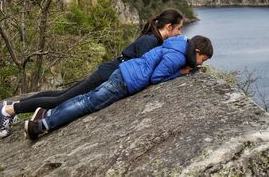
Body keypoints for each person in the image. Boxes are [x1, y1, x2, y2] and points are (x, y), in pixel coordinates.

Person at [0, 9, 184, 137]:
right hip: (108, 75)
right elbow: (144, 70)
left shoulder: (153, 39)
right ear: (168, 27)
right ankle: (9, 110)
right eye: (179, 29)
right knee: (61, 99)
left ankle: (14, 105)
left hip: (108, 71)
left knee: (62, 94)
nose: (180, 33)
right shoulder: (151, 41)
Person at [24, 35, 213, 140]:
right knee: (87, 104)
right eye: (201, 60)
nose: (199, 64)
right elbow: (157, 77)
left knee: (86, 97)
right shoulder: (178, 58)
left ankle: (50, 114)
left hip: (123, 71)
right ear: (197, 51)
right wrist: (179, 73)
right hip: (126, 82)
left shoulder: (178, 42)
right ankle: (42, 125)